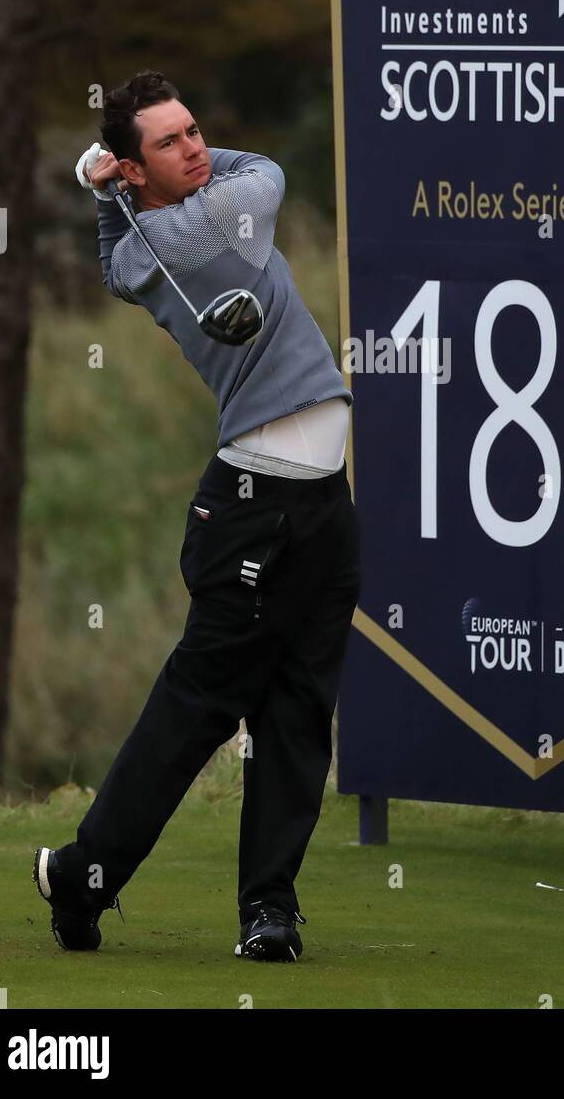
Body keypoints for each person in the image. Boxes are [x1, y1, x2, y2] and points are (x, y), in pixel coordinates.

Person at [32, 70, 361, 963]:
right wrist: (111, 181)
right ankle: (81, 874)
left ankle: (270, 913)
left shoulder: (140, 242)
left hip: (319, 505)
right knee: (203, 706)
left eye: (192, 129)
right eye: (171, 142)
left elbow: (113, 259)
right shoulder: (219, 218)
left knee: (296, 709)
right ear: (140, 172)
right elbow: (268, 169)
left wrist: (104, 187)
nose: (197, 147)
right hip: (255, 508)